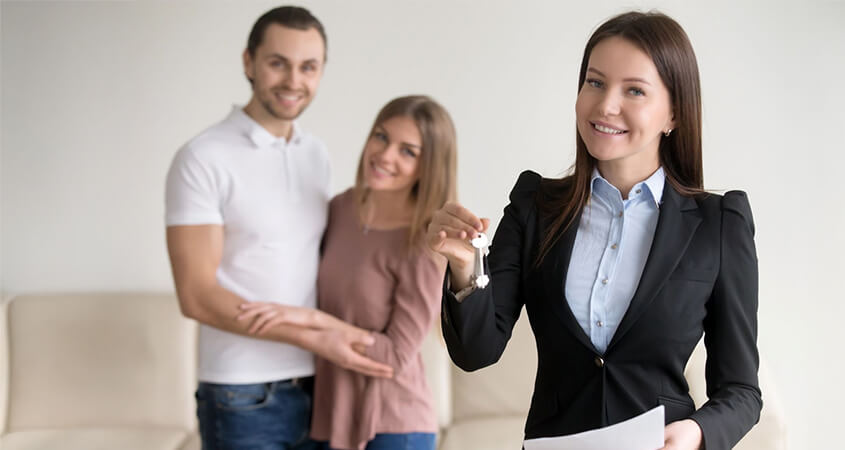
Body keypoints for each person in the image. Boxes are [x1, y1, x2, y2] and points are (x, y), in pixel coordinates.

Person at [426, 11, 761, 450]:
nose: (605, 106)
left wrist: (697, 432)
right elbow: (476, 352)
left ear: (674, 114)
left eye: (634, 90)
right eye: (595, 82)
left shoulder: (718, 224)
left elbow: (741, 392)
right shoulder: (535, 205)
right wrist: (465, 269)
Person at [165, 6, 393, 449]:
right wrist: (317, 337)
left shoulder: (315, 154)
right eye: (278, 63)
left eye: (308, 67)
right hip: (241, 392)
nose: (293, 81)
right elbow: (196, 295)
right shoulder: (203, 157)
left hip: (322, 384)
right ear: (248, 62)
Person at [237, 95, 456, 450]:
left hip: (395, 427)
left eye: (408, 151)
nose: (385, 155)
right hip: (328, 417)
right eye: (381, 137)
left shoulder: (424, 240)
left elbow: (396, 355)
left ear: (429, 165)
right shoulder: (340, 208)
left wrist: (313, 320)